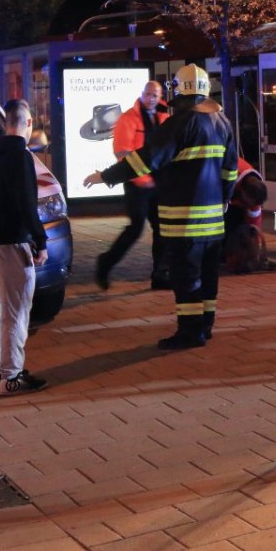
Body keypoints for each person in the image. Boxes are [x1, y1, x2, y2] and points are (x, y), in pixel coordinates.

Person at [84, 64, 238, 350]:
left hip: (184, 219)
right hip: (214, 219)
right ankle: (205, 325)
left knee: (185, 275)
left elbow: (145, 160)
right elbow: (230, 170)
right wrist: (225, 199)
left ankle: (190, 332)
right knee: (208, 275)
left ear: (177, 90)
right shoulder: (222, 122)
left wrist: (104, 176)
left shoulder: (178, 123)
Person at [0, 100, 49, 395]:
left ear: (6, 122)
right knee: (16, 310)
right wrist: (40, 240)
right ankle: (12, 378)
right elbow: (26, 203)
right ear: (29, 123)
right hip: (11, 240)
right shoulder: (21, 157)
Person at [96, 80, 168, 290]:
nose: (151, 98)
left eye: (155, 95)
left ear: (159, 96)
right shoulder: (128, 119)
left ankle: (160, 275)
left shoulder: (164, 117)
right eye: (148, 94)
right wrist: (141, 179)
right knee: (136, 229)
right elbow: (122, 153)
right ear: (142, 93)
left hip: (157, 183)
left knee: (162, 228)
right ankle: (105, 263)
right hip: (137, 184)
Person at [223, 158, 269, 273]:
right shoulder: (229, 172)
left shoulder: (254, 192)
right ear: (243, 192)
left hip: (229, 200)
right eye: (248, 203)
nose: (250, 206)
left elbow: (254, 223)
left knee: (241, 227)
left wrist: (254, 249)